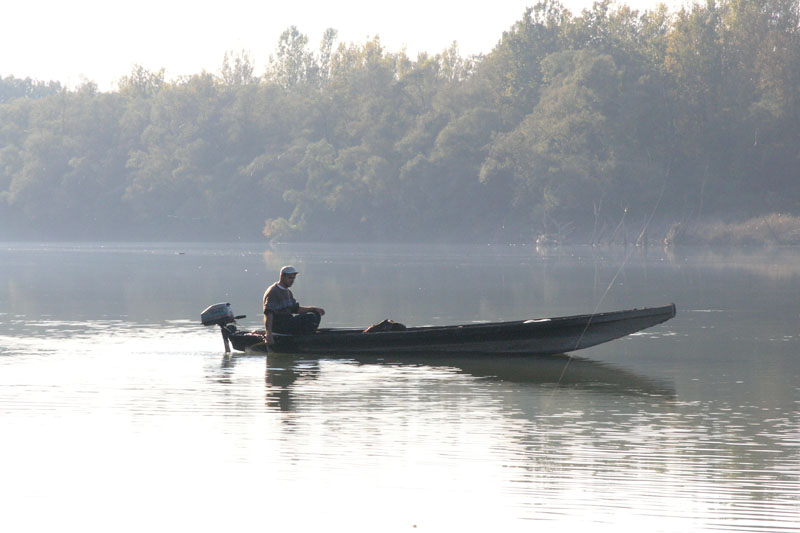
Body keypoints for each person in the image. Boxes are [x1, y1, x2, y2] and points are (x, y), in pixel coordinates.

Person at [263, 265, 325, 345]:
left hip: (288, 322)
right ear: (282, 276)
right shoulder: (273, 291)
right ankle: (306, 340)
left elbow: (296, 309)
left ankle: (307, 337)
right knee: (310, 317)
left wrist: (314, 309)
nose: (292, 280)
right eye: (290, 278)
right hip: (279, 326)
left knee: (315, 315)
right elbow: (268, 314)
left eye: (293, 278)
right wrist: (269, 334)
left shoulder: (288, 292)